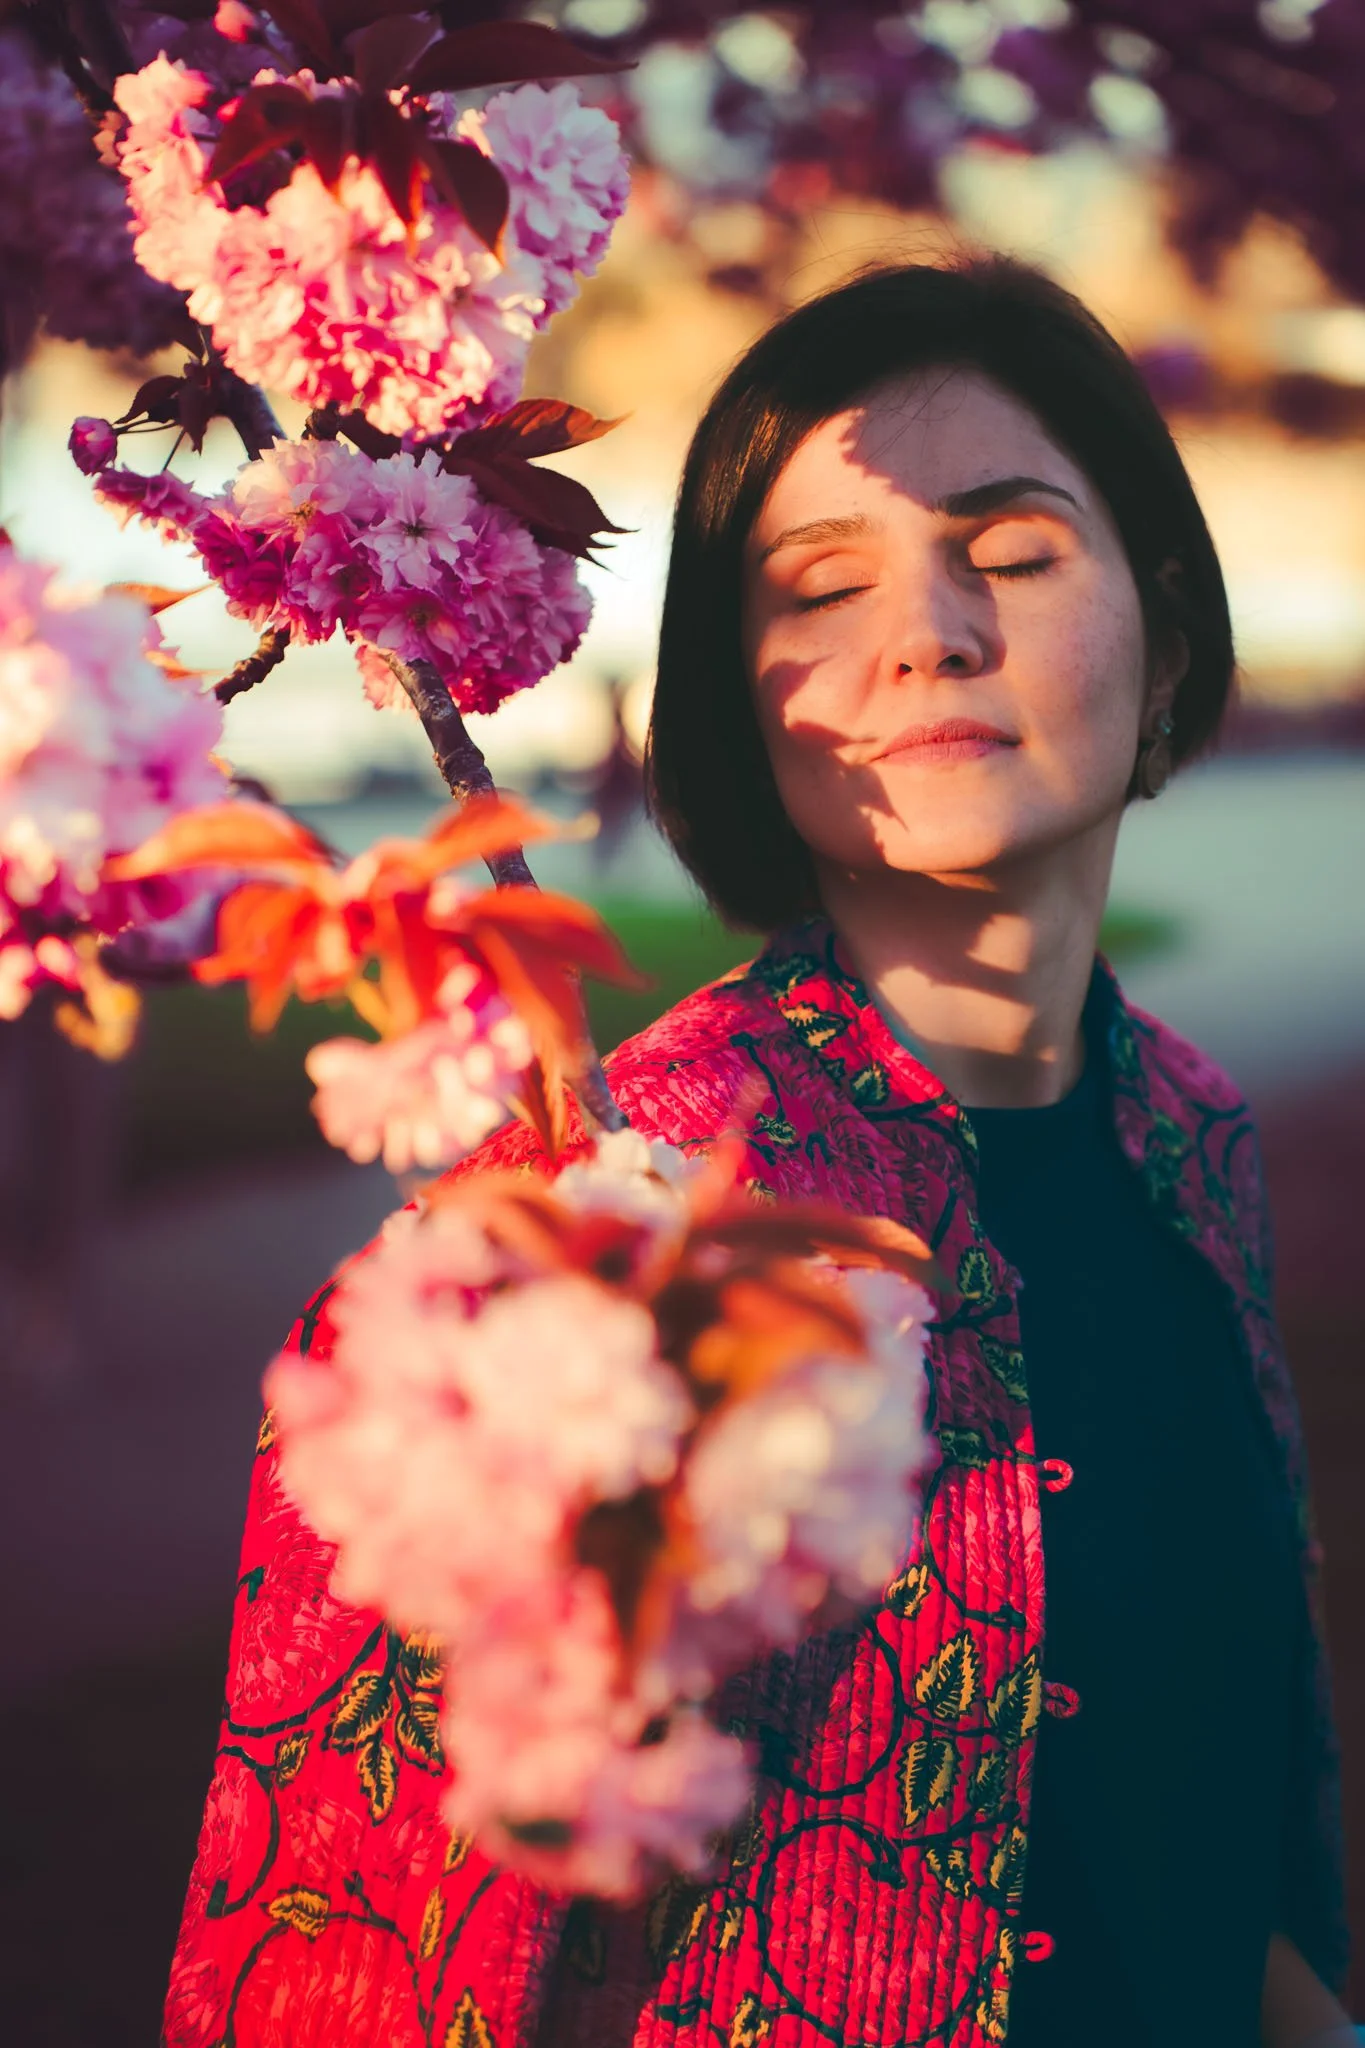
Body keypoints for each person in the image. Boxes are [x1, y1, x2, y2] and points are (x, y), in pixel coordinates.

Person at [164, 256, 1355, 2048]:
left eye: (1014, 556)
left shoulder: (1195, 1139)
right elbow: (329, 1960)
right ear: (741, 704)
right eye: (819, 588)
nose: (927, 635)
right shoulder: (570, 1250)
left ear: (1167, 639)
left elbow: (1191, 1822)